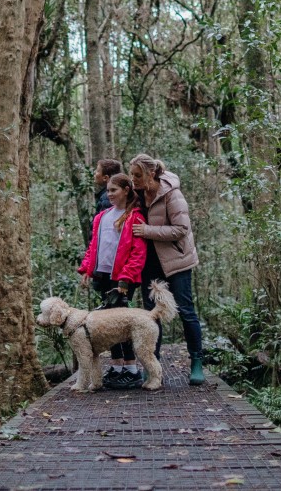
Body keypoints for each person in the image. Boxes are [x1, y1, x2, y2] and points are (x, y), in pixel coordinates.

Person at [129, 154, 204, 385]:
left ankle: (197, 361)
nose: (133, 180)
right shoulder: (138, 194)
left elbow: (181, 229)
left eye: (137, 175)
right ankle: (153, 365)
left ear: (151, 174)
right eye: (131, 175)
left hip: (176, 260)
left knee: (185, 310)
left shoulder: (172, 193)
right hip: (149, 262)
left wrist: (148, 231)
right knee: (150, 314)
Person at [78, 172, 148, 389]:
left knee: (122, 323)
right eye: (107, 190)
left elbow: (138, 252)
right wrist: (86, 269)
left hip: (123, 278)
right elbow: (94, 246)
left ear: (126, 190)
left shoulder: (134, 217)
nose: (109, 194)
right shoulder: (102, 217)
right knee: (108, 324)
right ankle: (117, 367)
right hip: (103, 275)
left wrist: (126, 278)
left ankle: (132, 369)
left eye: (113, 190)